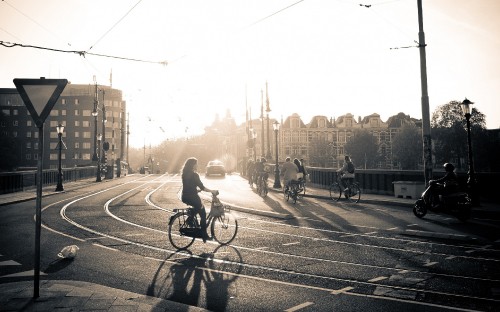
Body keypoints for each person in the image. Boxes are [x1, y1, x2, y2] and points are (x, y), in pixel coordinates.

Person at [181, 157, 218, 242]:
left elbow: (188, 186)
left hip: (185, 196)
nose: (197, 165)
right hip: (193, 197)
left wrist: (196, 189)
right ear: (193, 165)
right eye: (196, 164)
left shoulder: (184, 173)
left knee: (198, 208)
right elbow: (202, 187)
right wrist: (212, 191)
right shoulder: (195, 175)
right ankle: (203, 234)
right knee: (203, 213)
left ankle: (191, 218)